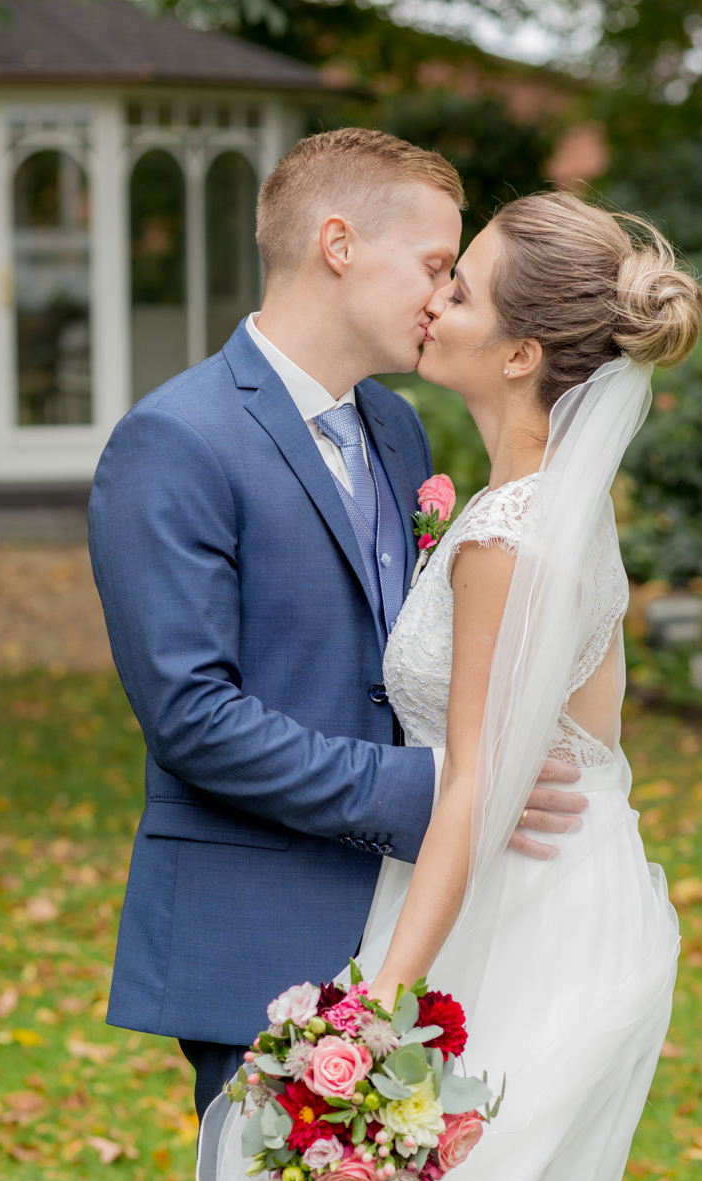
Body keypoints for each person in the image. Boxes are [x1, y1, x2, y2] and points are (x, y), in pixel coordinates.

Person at [164, 191, 702, 1181]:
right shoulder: (568, 507)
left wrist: (364, 1017)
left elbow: (470, 786)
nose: (433, 297)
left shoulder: (509, 533)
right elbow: (593, 746)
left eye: (458, 285)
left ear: (518, 353)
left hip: (509, 917)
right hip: (576, 892)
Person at [88, 129, 588, 1129]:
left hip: (415, 916)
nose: (444, 299)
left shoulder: (400, 429)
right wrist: (434, 787)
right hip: (260, 927)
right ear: (339, 243)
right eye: (436, 266)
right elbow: (190, 717)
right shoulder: (174, 440)